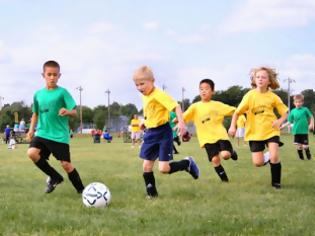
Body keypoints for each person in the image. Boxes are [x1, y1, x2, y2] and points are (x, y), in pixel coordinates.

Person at [133, 65, 199, 198]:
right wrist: (145, 122)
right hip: (150, 133)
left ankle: (187, 163)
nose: (139, 88)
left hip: (163, 133)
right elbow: (153, 112)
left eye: (142, 84)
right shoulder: (145, 96)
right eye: (137, 85)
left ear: (152, 81)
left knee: (163, 169)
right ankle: (152, 195)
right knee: (146, 166)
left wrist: (181, 123)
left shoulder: (159, 95)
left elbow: (176, 107)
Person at [26, 60, 84, 194]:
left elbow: (75, 112)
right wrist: (31, 130)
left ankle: (82, 191)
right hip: (42, 133)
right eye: (49, 74)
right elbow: (35, 114)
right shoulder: (38, 94)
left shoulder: (62, 92)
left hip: (59, 135)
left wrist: (67, 111)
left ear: (59, 76)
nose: (52, 77)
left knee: (66, 165)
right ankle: (55, 177)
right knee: (32, 153)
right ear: (43, 75)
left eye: (55, 75)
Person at [229, 66, 288, 189]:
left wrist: (279, 121)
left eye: (263, 77)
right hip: (254, 133)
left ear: (269, 81)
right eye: (258, 77)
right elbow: (237, 112)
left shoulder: (273, 97)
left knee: (275, 157)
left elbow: (285, 113)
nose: (260, 79)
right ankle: (269, 156)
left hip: (271, 130)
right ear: (254, 80)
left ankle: (276, 183)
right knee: (258, 163)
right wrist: (232, 127)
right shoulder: (249, 96)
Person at [183, 79, 238, 182]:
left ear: (212, 91)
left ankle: (232, 152)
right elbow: (183, 117)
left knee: (225, 155)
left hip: (220, 135)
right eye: (201, 89)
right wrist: (177, 120)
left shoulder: (217, 105)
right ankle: (225, 181)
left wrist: (233, 125)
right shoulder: (195, 107)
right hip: (206, 138)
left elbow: (235, 111)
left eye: (206, 89)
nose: (203, 91)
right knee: (215, 160)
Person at [281, 94, 314, 160]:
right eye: (296, 102)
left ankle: (309, 156)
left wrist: (311, 124)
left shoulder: (305, 109)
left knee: (305, 146)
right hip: (296, 131)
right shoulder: (293, 111)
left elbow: (311, 116)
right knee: (299, 146)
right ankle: (301, 158)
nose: (298, 103)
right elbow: (290, 121)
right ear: (294, 103)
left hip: (304, 131)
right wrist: (283, 126)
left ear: (302, 102)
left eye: (299, 102)